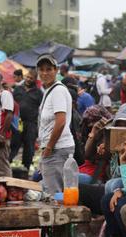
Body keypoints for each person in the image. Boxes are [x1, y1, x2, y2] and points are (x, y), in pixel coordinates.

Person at [36, 53, 75, 195]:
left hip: (57, 149)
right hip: (54, 149)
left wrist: (49, 147)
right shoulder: (49, 91)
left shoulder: (58, 90)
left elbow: (60, 121)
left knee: (56, 194)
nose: (45, 73)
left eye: (48, 69)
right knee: (56, 193)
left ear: (56, 70)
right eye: (41, 70)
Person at [10, 69, 43, 170]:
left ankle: (26, 167)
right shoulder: (18, 89)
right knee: (14, 144)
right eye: (27, 77)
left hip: (31, 123)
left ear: (35, 80)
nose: (28, 79)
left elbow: (41, 108)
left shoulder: (38, 92)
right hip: (18, 122)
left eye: (31, 78)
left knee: (29, 146)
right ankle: (8, 162)